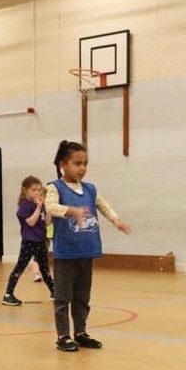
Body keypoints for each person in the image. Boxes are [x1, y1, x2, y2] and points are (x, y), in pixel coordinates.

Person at [46, 140, 131, 352]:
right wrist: (72, 211)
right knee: (63, 297)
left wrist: (116, 221)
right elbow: (50, 207)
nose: (82, 168)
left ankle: (81, 332)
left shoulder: (91, 189)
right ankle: (63, 336)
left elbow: (104, 206)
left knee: (82, 297)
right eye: (77, 163)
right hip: (66, 253)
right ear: (63, 164)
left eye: (85, 163)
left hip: (87, 251)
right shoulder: (54, 187)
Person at [1, 175, 55, 306]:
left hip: (40, 240)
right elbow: (31, 222)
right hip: (29, 241)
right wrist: (38, 208)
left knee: (44, 269)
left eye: (39, 190)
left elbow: (47, 222)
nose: (37, 192)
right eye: (34, 190)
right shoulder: (25, 205)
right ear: (26, 191)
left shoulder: (40, 205)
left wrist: (48, 209)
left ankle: (54, 292)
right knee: (20, 266)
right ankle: (8, 294)